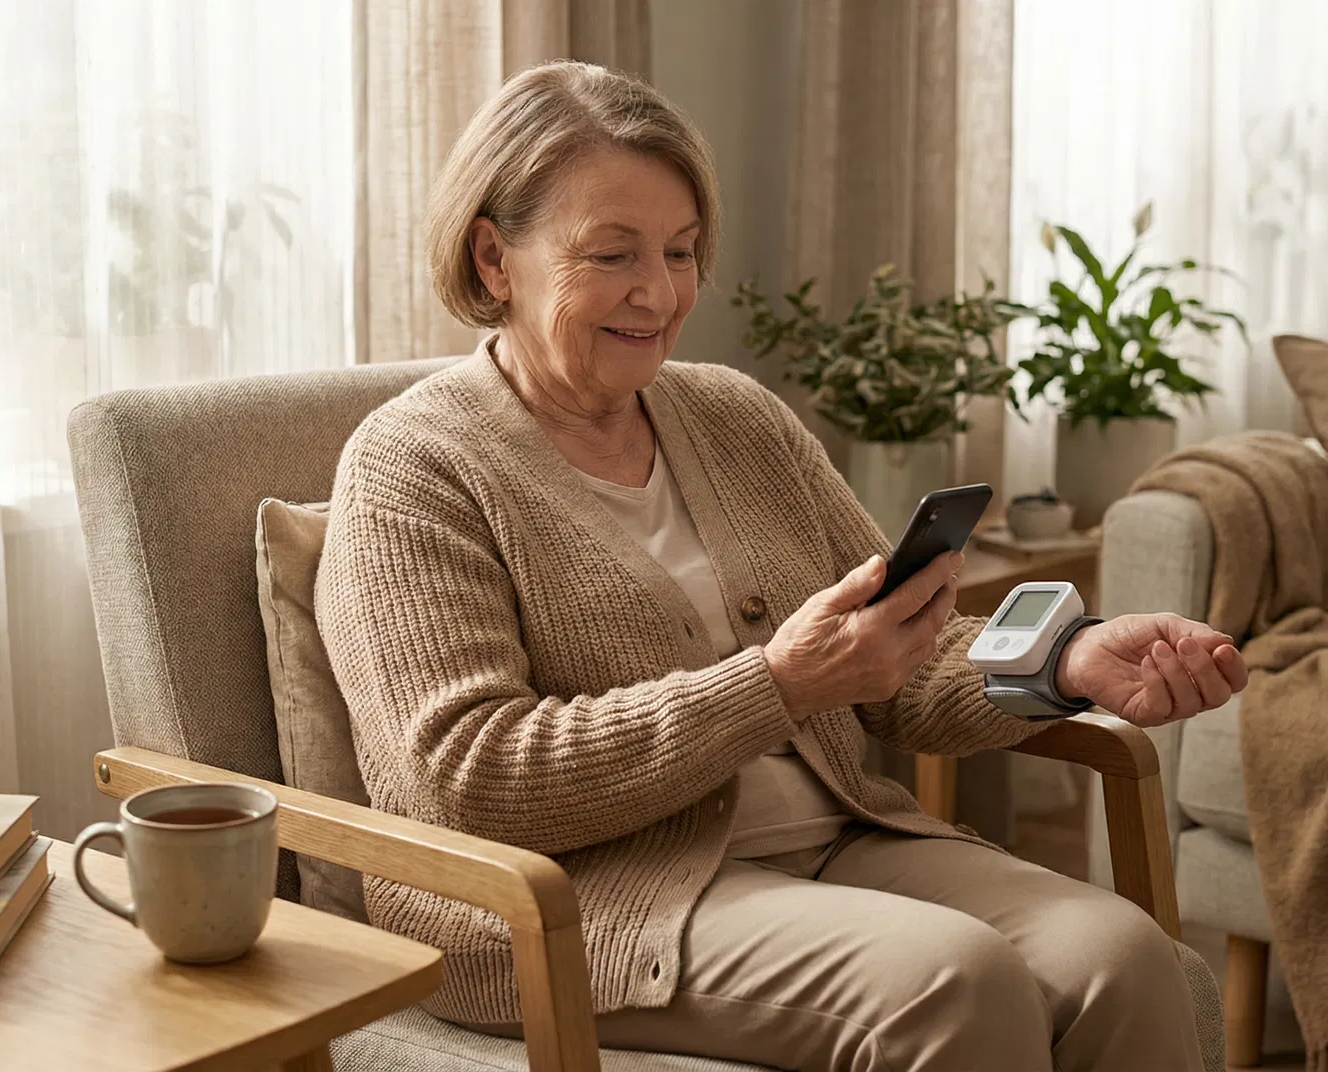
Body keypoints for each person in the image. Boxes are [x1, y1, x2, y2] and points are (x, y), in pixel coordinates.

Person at [317, 60, 1247, 1071]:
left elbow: (897, 658)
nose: (660, 292)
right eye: (612, 254)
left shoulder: (736, 416)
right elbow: (470, 775)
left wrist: (1068, 663)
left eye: (680, 251)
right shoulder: (412, 466)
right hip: (589, 899)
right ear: (495, 258)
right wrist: (778, 683)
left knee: (1127, 958)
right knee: (955, 983)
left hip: (836, 841)